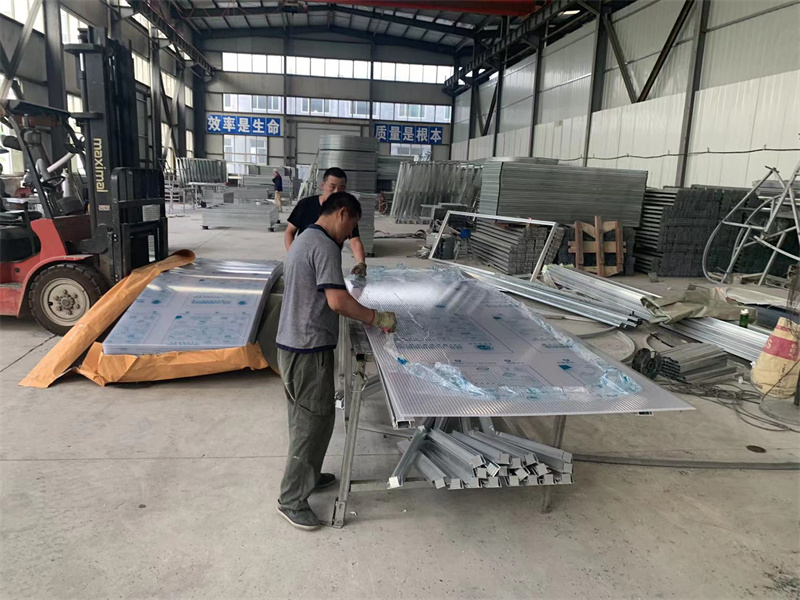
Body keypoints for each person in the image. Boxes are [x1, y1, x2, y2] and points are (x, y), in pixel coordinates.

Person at [275, 191, 397, 530]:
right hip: (308, 348)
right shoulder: (326, 245)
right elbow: (338, 302)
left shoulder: (305, 238)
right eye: (351, 226)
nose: (349, 235)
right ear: (342, 213)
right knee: (312, 424)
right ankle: (291, 499)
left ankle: (308, 476)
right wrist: (376, 318)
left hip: (292, 343)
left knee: (305, 419)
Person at [284, 167, 368, 277]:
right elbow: (289, 232)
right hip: (305, 263)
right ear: (323, 185)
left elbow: (354, 240)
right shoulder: (305, 205)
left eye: (341, 188)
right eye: (332, 187)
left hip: (329, 263)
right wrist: (294, 256)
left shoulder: (346, 213)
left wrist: (361, 263)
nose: (336, 192)